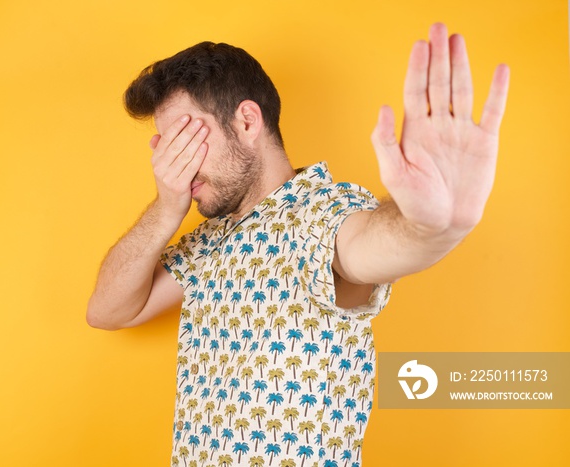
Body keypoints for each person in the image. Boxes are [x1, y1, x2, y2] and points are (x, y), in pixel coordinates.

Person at [87, 22, 509, 466]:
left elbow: (368, 249)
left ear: (247, 121)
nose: (172, 163)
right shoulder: (208, 242)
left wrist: (429, 227)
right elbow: (107, 310)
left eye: (185, 139)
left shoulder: (322, 211)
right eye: (165, 148)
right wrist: (165, 209)